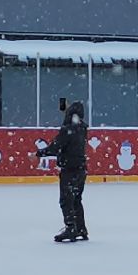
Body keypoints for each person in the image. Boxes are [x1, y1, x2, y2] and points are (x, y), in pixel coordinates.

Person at [43, 100, 90, 243]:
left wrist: (38, 154)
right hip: (81, 169)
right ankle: (80, 228)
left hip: (69, 169)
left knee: (66, 200)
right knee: (76, 199)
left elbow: (55, 147)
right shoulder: (82, 128)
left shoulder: (68, 130)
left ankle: (70, 228)